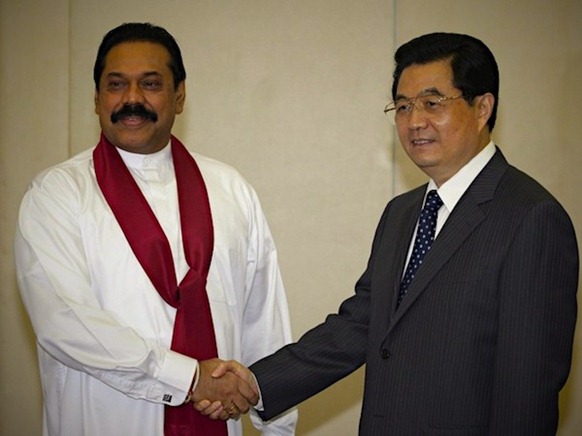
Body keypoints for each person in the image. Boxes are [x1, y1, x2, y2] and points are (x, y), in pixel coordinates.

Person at [198, 32, 579, 434]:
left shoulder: (531, 217)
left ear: (482, 107)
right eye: (402, 106)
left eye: (433, 103)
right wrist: (256, 384)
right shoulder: (402, 213)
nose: (415, 122)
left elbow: (527, 394)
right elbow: (361, 325)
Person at [14, 22, 297, 436]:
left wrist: (277, 427)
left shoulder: (230, 189)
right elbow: (65, 323)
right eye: (115, 85)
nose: (132, 99)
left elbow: (264, 321)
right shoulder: (56, 195)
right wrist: (186, 377)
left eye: (150, 83)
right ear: (95, 97)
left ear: (179, 95)